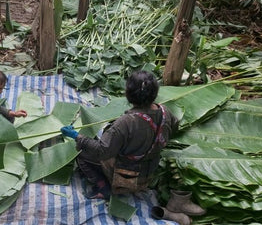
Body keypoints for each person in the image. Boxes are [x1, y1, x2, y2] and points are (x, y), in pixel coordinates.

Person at [61, 70, 179, 200]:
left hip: (127, 174)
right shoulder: (165, 112)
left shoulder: (126, 123)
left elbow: (102, 151)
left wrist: (77, 136)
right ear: (155, 93)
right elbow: (175, 128)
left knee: (82, 152)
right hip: (149, 171)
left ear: (128, 94)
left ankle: (103, 187)